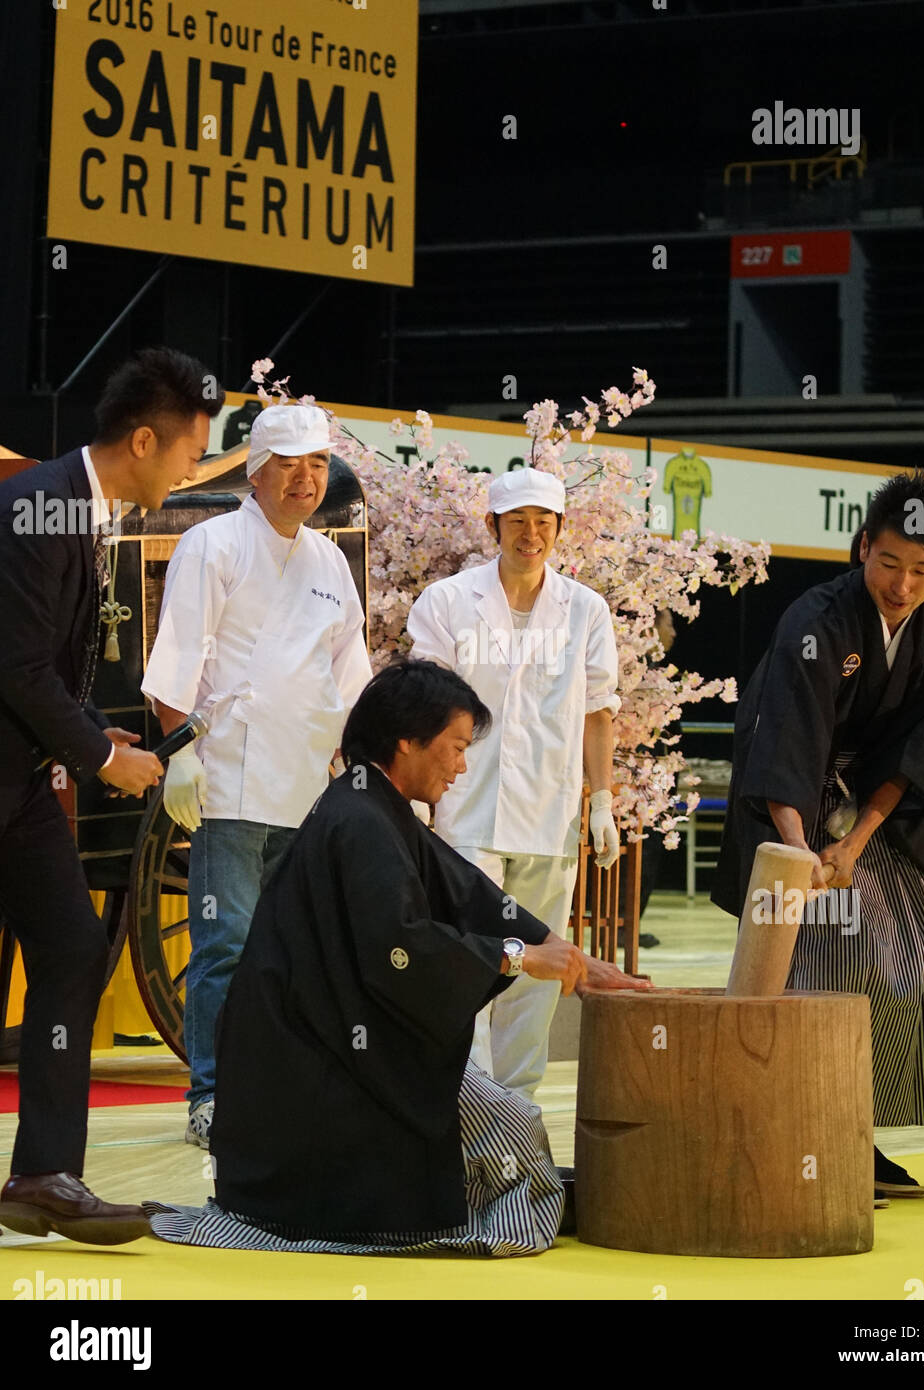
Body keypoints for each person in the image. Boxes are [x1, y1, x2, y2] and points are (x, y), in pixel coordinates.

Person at [144, 660, 650, 1256]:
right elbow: (400, 951)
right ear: (408, 739)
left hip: (334, 1044)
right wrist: (516, 955)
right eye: (457, 747)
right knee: (511, 1127)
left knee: (503, 1131)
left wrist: (570, 958)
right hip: (313, 1071)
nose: (463, 766)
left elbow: (463, 890)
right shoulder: (359, 817)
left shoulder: (369, 803)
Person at [0, 346, 223, 1244]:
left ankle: (44, 1177)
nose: (192, 471)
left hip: (16, 778)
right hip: (19, 768)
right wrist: (97, 755)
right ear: (142, 440)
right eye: (188, 454)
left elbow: (40, 664)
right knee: (67, 950)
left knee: (72, 951)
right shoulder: (35, 505)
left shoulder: (76, 505)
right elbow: (11, 663)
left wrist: (95, 729)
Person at [712, 472, 924, 1199]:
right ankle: (795, 1132)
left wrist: (856, 842)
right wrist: (798, 854)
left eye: (922, 571)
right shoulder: (815, 620)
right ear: (861, 547)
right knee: (823, 961)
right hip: (791, 804)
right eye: (888, 563)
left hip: (875, 813)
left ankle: (856, 1131)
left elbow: (923, 750)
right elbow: (785, 741)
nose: (901, 585)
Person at [141, 404, 372, 1149]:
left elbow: (351, 673)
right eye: (288, 464)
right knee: (226, 945)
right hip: (231, 776)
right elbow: (176, 652)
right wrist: (177, 750)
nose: (305, 479)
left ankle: (277, 1089)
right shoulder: (212, 544)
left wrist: (359, 763)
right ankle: (211, 1095)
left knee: (291, 949)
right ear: (254, 470)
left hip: (306, 778)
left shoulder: (328, 559)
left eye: (315, 465)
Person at [407, 468, 621, 1108]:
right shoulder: (446, 602)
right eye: (518, 522)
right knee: (471, 956)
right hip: (467, 808)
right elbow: (425, 706)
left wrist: (603, 799)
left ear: (560, 529)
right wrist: (423, 798)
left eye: (544, 522)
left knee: (541, 964)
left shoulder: (585, 608)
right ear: (492, 527)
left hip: (550, 813)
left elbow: (599, 711)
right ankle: (465, 1102)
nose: (532, 535)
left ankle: (519, 1107)